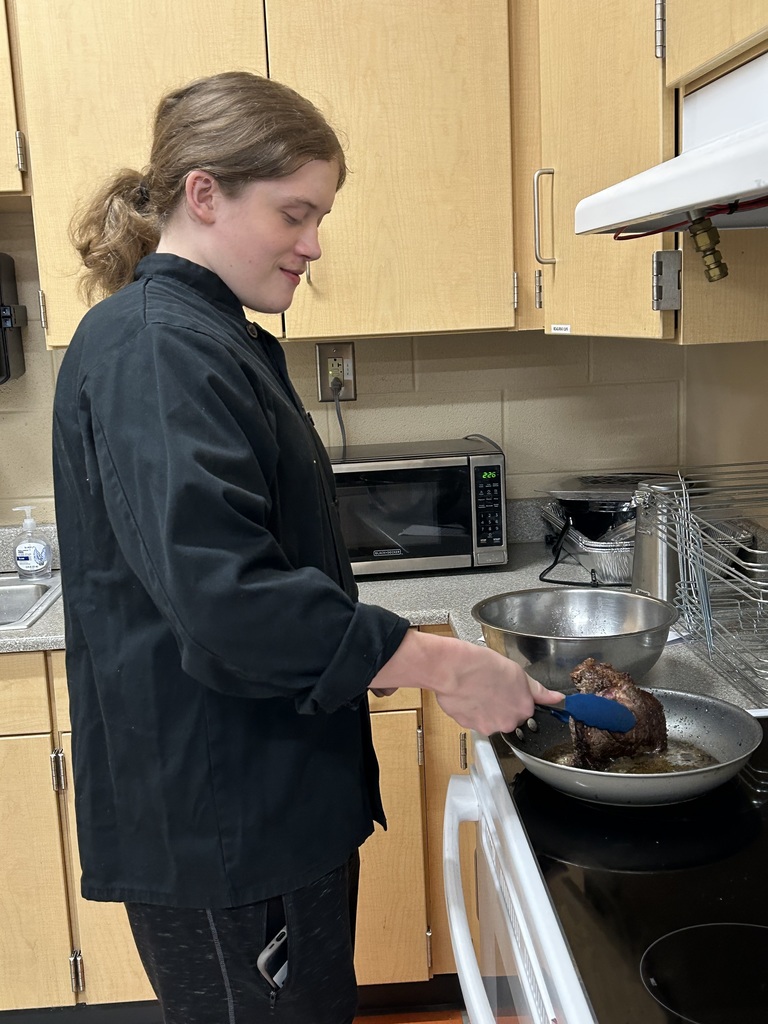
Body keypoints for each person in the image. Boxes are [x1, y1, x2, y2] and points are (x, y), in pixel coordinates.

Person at [52, 71, 562, 1024]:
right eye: (295, 212)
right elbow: (228, 599)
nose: (314, 244)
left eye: (319, 214)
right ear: (203, 194)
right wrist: (441, 664)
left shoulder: (211, 336)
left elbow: (270, 570)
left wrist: (372, 658)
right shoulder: (156, 347)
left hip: (266, 807)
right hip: (224, 830)